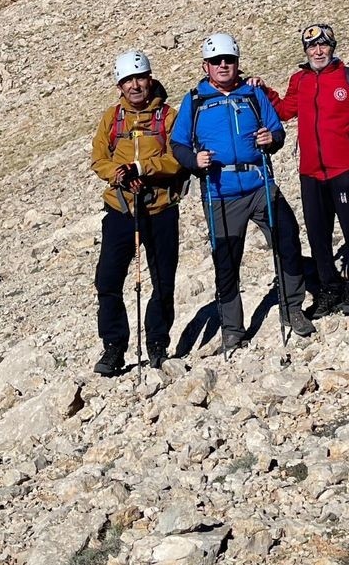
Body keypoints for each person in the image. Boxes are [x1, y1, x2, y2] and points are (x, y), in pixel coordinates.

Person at [171, 32, 313, 350]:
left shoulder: (252, 94)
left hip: (260, 184)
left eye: (229, 60)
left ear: (237, 62)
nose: (223, 65)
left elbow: (276, 130)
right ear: (205, 66)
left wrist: (271, 139)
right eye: (216, 61)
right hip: (220, 191)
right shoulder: (194, 100)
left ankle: (293, 309)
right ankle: (233, 329)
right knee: (227, 261)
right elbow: (177, 143)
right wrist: (194, 161)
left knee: (287, 240)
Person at [259, 23, 349, 318]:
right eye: (312, 46)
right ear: (305, 50)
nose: (318, 51)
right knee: (318, 235)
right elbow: (285, 110)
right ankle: (329, 288)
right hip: (311, 172)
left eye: (323, 45)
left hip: (344, 168)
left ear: (332, 47)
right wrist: (263, 90)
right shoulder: (299, 80)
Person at [90, 50, 186, 375]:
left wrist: (144, 167)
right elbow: (98, 158)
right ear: (120, 85)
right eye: (128, 80)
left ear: (150, 78)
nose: (135, 85)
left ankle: (157, 344)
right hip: (121, 210)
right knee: (108, 280)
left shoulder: (168, 117)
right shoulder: (111, 118)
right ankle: (114, 347)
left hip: (160, 209)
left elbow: (177, 159)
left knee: (162, 281)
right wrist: (114, 172)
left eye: (140, 78)